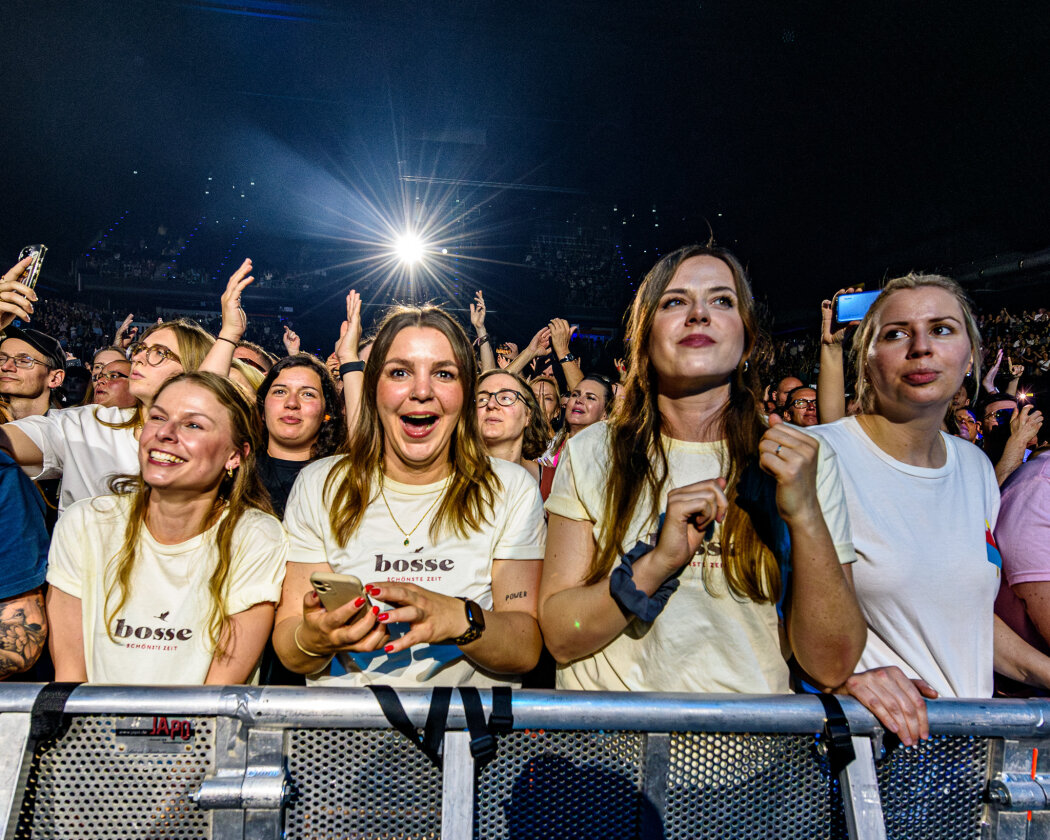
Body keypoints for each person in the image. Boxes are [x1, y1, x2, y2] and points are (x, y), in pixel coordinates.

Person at [538, 244, 866, 693]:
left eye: (721, 300)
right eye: (674, 301)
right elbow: (560, 635)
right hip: (607, 750)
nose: (698, 314)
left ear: (747, 339)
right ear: (645, 337)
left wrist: (805, 513)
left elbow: (831, 665)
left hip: (750, 753)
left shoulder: (803, 458)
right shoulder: (593, 450)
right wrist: (657, 562)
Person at [806, 273, 1050, 745]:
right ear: (866, 358)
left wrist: (1038, 670)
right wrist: (841, 675)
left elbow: (962, 614)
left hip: (964, 748)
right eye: (896, 333)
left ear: (970, 356)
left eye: (942, 329)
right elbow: (763, 604)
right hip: (866, 749)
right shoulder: (816, 457)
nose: (921, 347)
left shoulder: (975, 466)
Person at [276, 304, 545, 687]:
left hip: (465, 738)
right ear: (374, 388)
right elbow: (289, 644)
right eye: (400, 372)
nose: (421, 391)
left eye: (444, 374)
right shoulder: (320, 485)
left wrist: (457, 618)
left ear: (467, 391)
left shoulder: (509, 488)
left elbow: (525, 647)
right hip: (344, 739)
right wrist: (315, 638)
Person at [45, 372, 287, 684]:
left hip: (198, 729)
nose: (166, 433)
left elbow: (218, 693)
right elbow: (69, 681)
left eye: (194, 425)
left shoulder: (255, 536)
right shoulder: (86, 522)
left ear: (235, 456)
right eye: (158, 417)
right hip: (94, 729)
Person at [256, 353, 347, 518]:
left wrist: (349, 359)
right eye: (280, 392)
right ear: (263, 409)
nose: (291, 403)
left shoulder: (340, 476)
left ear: (327, 413)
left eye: (307, 394)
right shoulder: (238, 469)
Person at [538, 374, 614, 500]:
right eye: (575, 395)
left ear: (604, 413)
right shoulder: (553, 445)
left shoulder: (607, 454)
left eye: (590, 398)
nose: (579, 400)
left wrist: (553, 476)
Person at [477, 369, 552, 483]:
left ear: (528, 415)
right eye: (482, 399)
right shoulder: (449, 476)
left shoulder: (554, 482)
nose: (491, 404)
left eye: (506, 398)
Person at [0, 327, 66, 419]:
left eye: (23, 361)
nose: (5, 366)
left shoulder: (68, 430)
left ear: (55, 379)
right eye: (1, 359)